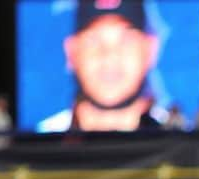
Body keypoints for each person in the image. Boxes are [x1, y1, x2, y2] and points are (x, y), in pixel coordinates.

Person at [39, 0, 164, 133]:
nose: (109, 56)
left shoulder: (177, 133)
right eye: (93, 40)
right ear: (71, 52)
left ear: (151, 49)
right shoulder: (37, 142)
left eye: (126, 39)